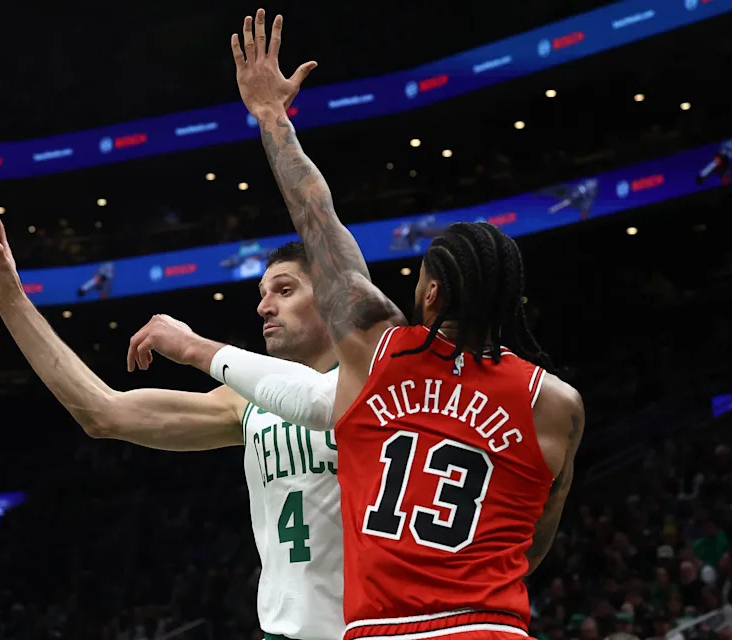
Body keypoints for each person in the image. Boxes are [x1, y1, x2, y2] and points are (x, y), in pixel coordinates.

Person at [221, 9, 586, 639]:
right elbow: (534, 541)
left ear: (434, 292)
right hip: (493, 628)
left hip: (389, 629)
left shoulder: (379, 355)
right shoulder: (558, 405)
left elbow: (318, 219)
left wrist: (272, 118)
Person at [0, 224, 344, 640]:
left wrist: (192, 345)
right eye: (263, 294)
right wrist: (11, 300)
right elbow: (103, 412)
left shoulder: (382, 386)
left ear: (336, 299)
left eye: (284, 291)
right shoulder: (245, 403)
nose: (264, 307)